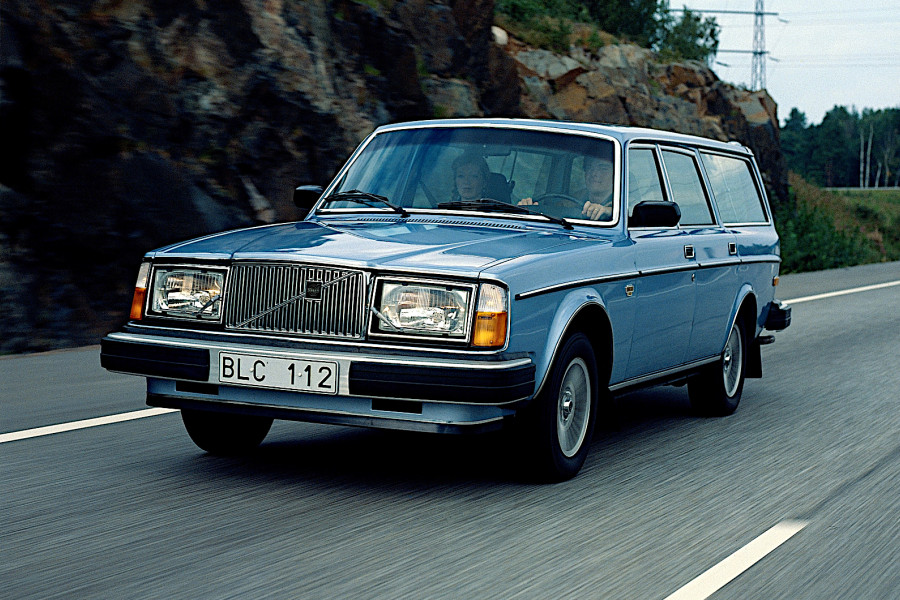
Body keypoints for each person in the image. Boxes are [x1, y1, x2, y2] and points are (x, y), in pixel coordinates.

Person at [519, 155, 614, 220]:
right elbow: (553, 214)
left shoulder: (621, 203)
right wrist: (530, 208)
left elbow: (622, 214)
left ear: (616, 173)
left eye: (603, 169)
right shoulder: (571, 200)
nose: (594, 173)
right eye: (589, 167)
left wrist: (607, 211)